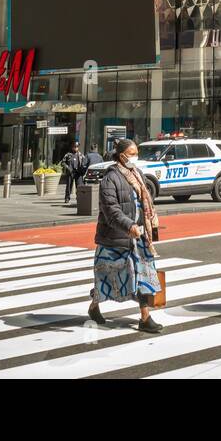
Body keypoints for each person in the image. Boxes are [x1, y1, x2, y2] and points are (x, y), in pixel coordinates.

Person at [88, 139, 164, 334]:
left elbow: (145, 199)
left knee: (143, 274)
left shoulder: (137, 174)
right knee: (107, 275)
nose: (134, 157)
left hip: (139, 236)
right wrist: (128, 225)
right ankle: (95, 305)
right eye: (132, 153)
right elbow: (110, 210)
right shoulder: (110, 178)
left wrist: (150, 219)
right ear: (121, 156)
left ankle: (145, 317)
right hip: (115, 238)